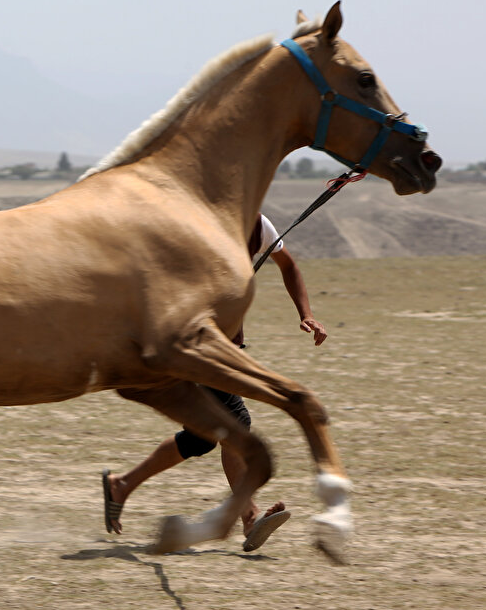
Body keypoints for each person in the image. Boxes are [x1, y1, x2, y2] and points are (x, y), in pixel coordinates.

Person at [101, 214, 328, 551]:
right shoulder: (193, 222)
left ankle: (123, 484)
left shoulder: (257, 225)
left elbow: (288, 264)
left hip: (226, 348)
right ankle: (248, 516)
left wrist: (305, 313)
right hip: (194, 346)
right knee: (235, 425)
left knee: (201, 438)